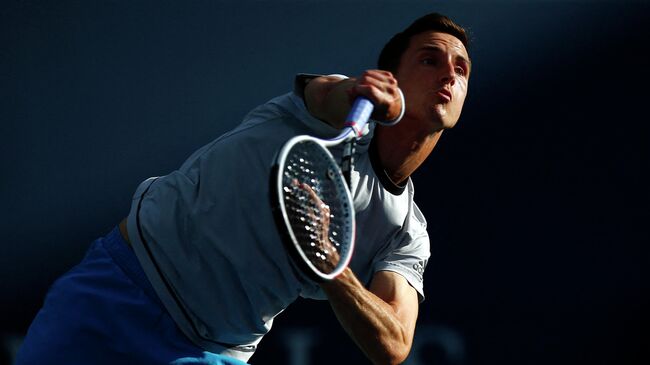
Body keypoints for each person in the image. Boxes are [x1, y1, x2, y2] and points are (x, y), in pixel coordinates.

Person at [16, 12, 471, 365]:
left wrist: (332, 266)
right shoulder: (323, 110)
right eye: (429, 59)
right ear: (389, 76)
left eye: (461, 68)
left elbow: (392, 344)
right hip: (116, 290)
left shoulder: (406, 233)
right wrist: (374, 101)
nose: (448, 75)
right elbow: (335, 94)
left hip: (209, 351)